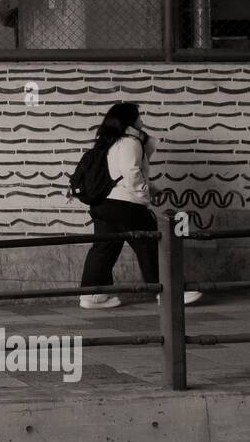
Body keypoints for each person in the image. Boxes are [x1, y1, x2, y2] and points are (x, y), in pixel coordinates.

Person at [77, 103, 202, 310]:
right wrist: (144, 193)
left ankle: (92, 295)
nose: (142, 120)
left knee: (103, 249)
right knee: (152, 245)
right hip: (126, 205)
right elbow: (131, 171)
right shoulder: (130, 141)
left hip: (104, 204)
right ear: (130, 121)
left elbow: (119, 174)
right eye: (138, 117)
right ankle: (169, 292)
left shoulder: (110, 142)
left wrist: (152, 189)